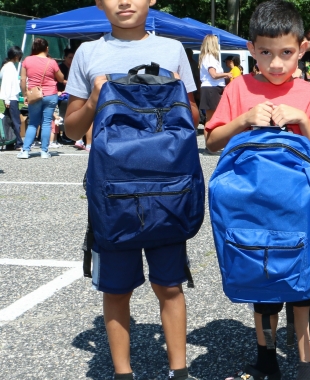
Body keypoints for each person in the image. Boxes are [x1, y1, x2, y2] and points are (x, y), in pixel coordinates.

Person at [63, 0, 200, 378]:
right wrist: (94, 98)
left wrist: (167, 91)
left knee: (169, 285)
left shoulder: (171, 49)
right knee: (117, 289)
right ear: (98, 2)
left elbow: (193, 119)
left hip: (166, 187)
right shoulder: (89, 53)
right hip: (113, 190)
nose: (125, 1)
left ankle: (179, 370)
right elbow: (72, 130)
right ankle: (123, 372)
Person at [205, 2, 310, 379]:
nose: (276, 64)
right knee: (261, 286)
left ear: (302, 50)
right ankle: (266, 359)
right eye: (265, 53)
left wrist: (302, 120)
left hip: (298, 208)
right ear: (250, 48)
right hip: (251, 205)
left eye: (286, 54)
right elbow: (212, 140)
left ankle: (306, 368)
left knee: (304, 290)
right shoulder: (239, 87)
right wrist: (243, 120)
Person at [17, 38, 64, 159]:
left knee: (33, 123)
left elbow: (22, 80)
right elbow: (60, 78)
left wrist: (25, 94)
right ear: (47, 48)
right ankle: (44, 151)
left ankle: (25, 151)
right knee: (47, 123)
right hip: (50, 94)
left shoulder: (27, 60)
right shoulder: (52, 62)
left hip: (34, 95)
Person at [199, 35, 230, 129]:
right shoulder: (209, 58)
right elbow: (214, 75)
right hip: (211, 88)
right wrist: (227, 74)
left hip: (213, 88)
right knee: (211, 118)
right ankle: (209, 141)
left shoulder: (208, 57)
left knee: (213, 117)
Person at [0, 46, 23, 150]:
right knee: (15, 121)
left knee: (8, 120)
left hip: (11, 97)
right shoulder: (9, 67)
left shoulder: (9, 66)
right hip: (11, 98)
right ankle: (19, 142)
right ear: (16, 55)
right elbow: (7, 84)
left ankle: (10, 142)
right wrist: (7, 99)